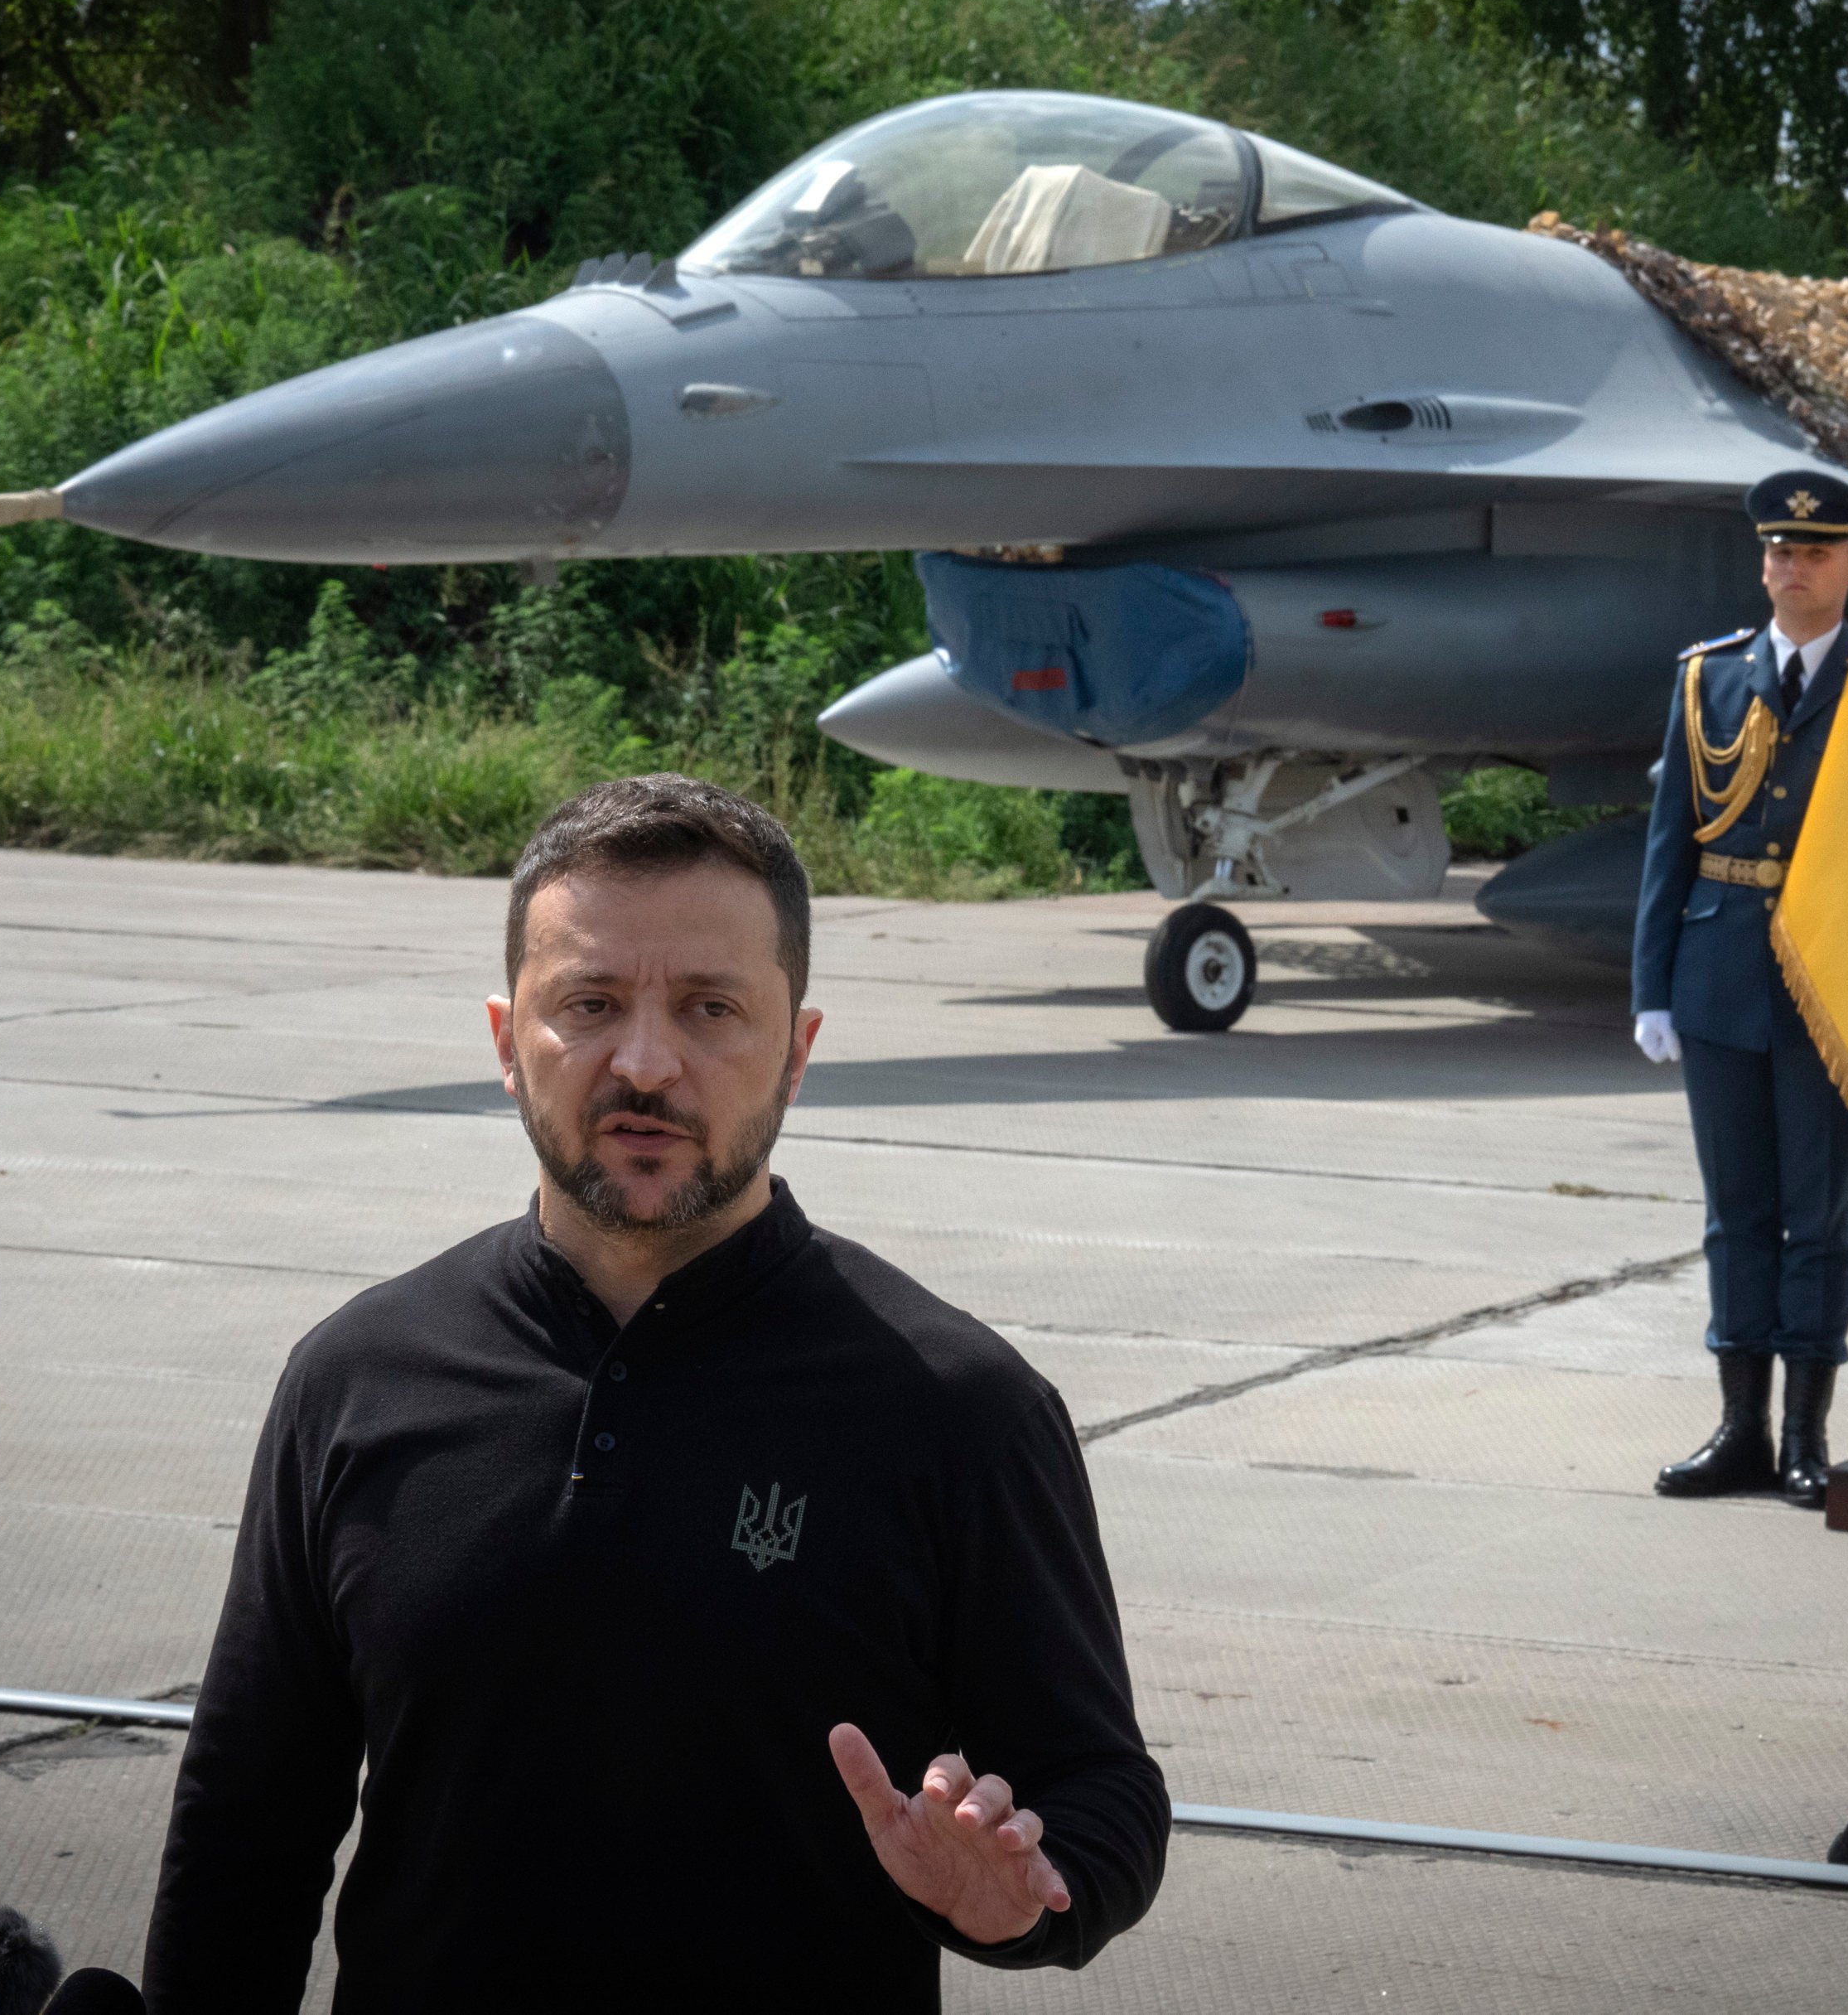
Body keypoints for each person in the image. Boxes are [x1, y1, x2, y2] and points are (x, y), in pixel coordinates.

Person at [142, 775, 1167, 2010]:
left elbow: (1103, 1797)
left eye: (709, 1007)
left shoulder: (956, 1406)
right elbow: (248, 1818)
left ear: (795, 1051)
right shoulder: (355, 1375)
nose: (643, 1060)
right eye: (588, 1002)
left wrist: (1016, 1896)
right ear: (504, 1042)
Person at [1633, 470, 1848, 1510]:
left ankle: (1804, 1437)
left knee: (1815, 1220)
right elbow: (1670, 843)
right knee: (1735, 1214)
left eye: (1816, 552)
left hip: (1833, 984)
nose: (1792, 567)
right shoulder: (1710, 680)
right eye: (1779, 551)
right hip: (1721, 972)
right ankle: (1739, 1427)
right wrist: (1653, 984)